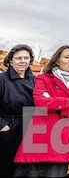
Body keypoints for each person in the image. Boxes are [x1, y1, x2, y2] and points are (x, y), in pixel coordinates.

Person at [14, 44, 69, 178]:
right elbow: (40, 102)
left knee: (56, 173)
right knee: (32, 172)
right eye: (66, 57)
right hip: (40, 134)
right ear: (57, 60)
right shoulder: (44, 78)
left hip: (63, 135)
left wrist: (55, 103)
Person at [0, 44, 36, 178]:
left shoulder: (34, 80)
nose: (23, 61)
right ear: (10, 60)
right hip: (8, 129)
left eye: (26, 58)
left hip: (29, 130)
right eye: (18, 58)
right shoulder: (2, 79)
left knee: (25, 171)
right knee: (5, 169)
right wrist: (2, 125)